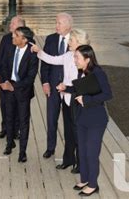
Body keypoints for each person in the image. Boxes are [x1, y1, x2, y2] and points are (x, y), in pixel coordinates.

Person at [31, 28, 90, 173]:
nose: (68, 42)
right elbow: (52, 59)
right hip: (67, 99)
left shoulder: (86, 58)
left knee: (78, 133)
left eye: (71, 40)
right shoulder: (69, 55)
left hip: (78, 102)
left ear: (79, 42)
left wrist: (66, 87)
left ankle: (81, 164)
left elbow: (83, 83)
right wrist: (38, 51)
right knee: (69, 131)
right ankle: (68, 159)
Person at [59, 45, 113, 196]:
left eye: (77, 57)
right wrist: (65, 88)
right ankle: (84, 179)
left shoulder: (99, 73)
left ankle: (93, 184)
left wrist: (87, 99)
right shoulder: (81, 71)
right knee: (82, 150)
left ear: (87, 59)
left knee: (91, 152)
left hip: (96, 119)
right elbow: (80, 89)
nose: (74, 60)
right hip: (82, 117)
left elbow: (108, 95)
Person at [0, 26, 39, 163]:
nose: (12, 37)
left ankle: (22, 152)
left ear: (24, 39)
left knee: (23, 122)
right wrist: (5, 81)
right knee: (9, 117)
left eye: (16, 35)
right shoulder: (10, 48)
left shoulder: (32, 53)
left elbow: (30, 77)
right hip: (8, 90)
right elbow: (4, 66)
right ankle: (10, 143)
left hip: (23, 92)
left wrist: (14, 86)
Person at [40, 12, 73, 159]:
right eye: (56, 22)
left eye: (59, 23)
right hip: (52, 86)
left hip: (69, 88)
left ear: (68, 25)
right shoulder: (51, 39)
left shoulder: (75, 40)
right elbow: (45, 62)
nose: (56, 26)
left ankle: (69, 152)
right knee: (51, 119)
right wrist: (45, 82)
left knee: (69, 122)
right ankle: (50, 148)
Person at [0, 16, 25, 139]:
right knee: (4, 104)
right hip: (5, 76)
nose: (10, 25)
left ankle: (16, 130)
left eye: (12, 23)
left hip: (18, 79)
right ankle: (5, 128)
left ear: (20, 25)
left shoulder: (26, 40)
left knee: (17, 105)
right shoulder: (6, 38)